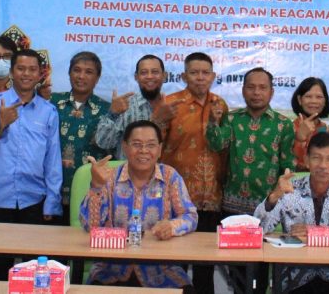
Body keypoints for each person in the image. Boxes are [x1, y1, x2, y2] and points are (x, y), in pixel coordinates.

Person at [0, 49, 62, 280]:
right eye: (21, 68)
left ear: (40, 74)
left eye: (32, 69)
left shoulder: (48, 111)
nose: (26, 74)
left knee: (33, 274)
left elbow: (52, 160)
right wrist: (0, 125)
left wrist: (52, 202)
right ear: (12, 72)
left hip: (34, 201)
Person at [81, 120, 198, 292]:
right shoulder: (109, 178)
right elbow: (90, 226)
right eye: (136, 144)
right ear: (125, 147)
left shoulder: (170, 177)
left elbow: (190, 215)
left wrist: (171, 226)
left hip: (162, 270)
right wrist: (96, 186)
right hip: (111, 269)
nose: (143, 151)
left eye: (150, 145)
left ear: (159, 149)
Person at [254, 132, 329, 294]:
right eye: (316, 158)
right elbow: (258, 229)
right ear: (306, 160)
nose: (323, 165)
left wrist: (320, 232)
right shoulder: (289, 189)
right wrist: (274, 196)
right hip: (295, 279)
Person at [206, 67, 294, 294]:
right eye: (251, 87)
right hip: (232, 208)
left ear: (272, 92)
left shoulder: (283, 124)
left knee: (261, 271)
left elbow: (287, 165)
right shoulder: (231, 119)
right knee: (236, 272)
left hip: (267, 209)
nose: (256, 92)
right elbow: (216, 144)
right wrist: (213, 123)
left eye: (262, 88)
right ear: (243, 90)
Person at [160, 52, 228, 294]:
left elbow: (225, 147)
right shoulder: (171, 104)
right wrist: (158, 120)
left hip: (211, 197)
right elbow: (154, 144)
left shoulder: (220, 105)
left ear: (213, 76)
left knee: (205, 266)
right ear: (183, 76)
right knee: (175, 265)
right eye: (194, 72)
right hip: (177, 197)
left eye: (205, 72)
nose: (200, 77)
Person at [50, 51, 110, 221]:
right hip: (52, 193)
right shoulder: (52, 102)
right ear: (69, 73)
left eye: (89, 72)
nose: (81, 76)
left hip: (89, 193)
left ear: (97, 78)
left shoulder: (107, 110)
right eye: (76, 70)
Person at [95, 54, 175, 159]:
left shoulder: (173, 106)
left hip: (163, 169)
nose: (149, 76)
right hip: (128, 168)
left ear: (164, 76)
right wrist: (112, 114)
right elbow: (103, 143)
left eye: (155, 72)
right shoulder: (125, 106)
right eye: (144, 72)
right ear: (136, 77)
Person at [290, 76, 329, 170]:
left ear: (325, 101)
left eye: (319, 97)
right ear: (299, 100)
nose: (314, 101)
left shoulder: (326, 129)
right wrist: (299, 139)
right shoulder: (288, 128)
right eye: (308, 96)